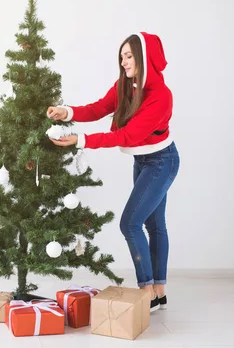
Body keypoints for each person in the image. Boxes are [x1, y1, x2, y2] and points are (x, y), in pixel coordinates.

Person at [46, 32, 180, 312]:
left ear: (144, 57)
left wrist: (81, 140)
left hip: (162, 161)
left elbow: (128, 136)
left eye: (129, 56)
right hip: (143, 162)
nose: (124, 62)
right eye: (122, 57)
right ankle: (159, 292)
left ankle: (148, 293)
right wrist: (66, 112)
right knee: (152, 225)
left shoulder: (160, 97)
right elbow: (99, 108)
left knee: (130, 223)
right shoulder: (126, 86)